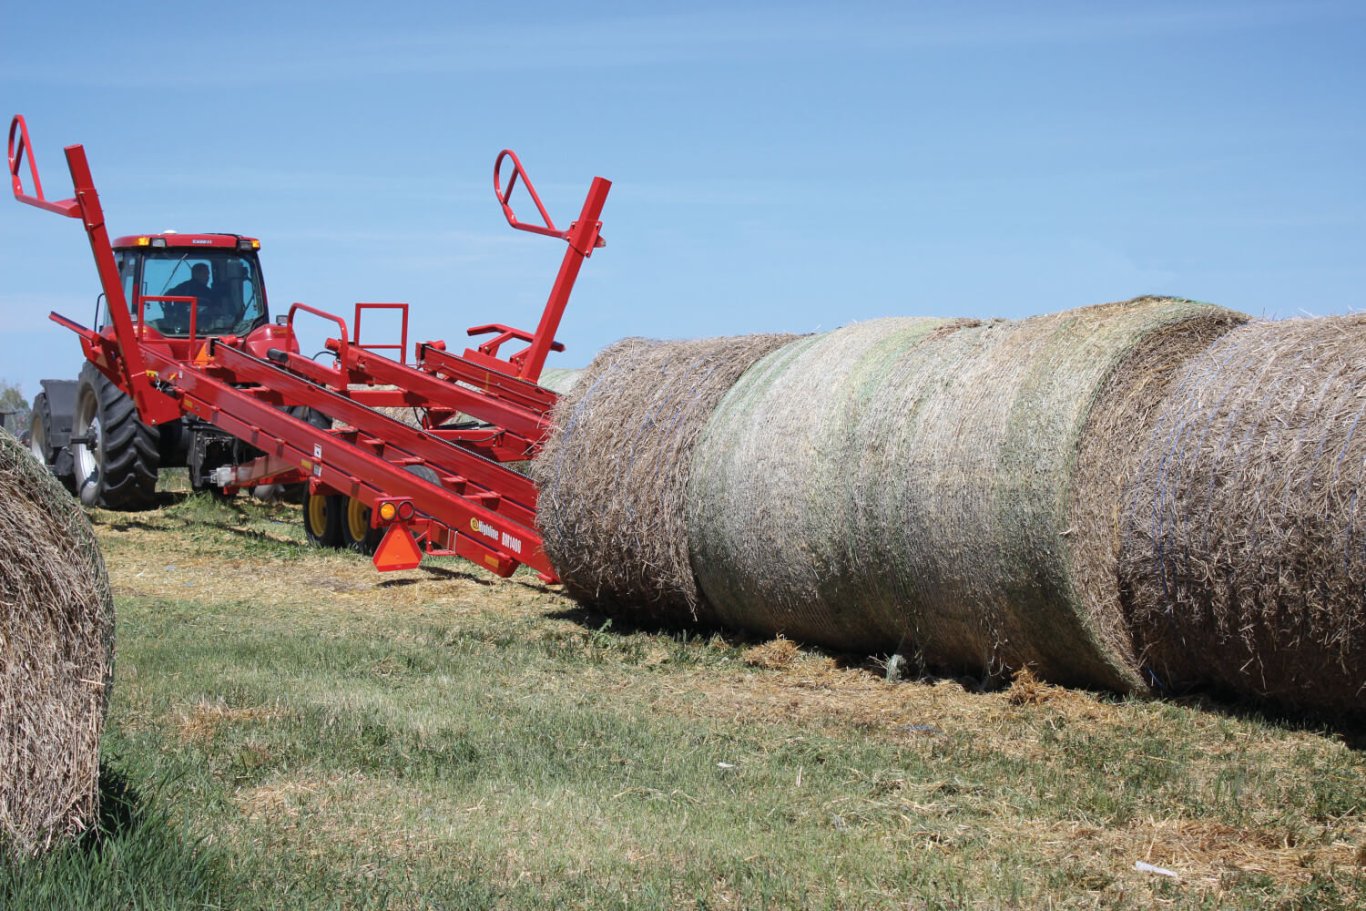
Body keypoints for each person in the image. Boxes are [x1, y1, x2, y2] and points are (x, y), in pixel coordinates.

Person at [167, 263, 224, 328]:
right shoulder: (183, 289)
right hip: (184, 325)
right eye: (204, 274)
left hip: (206, 327)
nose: (208, 277)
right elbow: (168, 298)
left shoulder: (209, 292)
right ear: (196, 274)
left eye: (208, 274)